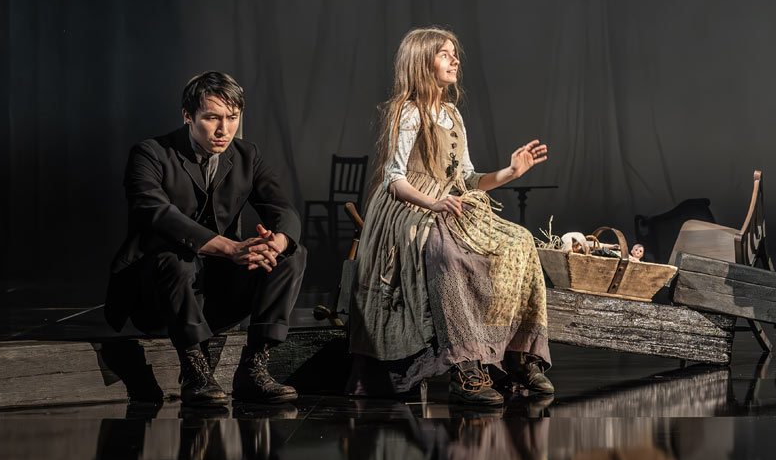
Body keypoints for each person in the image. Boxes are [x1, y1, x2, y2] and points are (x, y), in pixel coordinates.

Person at [346, 27, 553, 406]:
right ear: (422, 62)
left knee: (519, 241)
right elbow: (394, 180)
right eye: (444, 54)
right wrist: (433, 203)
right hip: (408, 207)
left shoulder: (452, 113)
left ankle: (515, 354)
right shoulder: (408, 111)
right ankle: (465, 365)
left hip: (450, 202)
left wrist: (510, 173)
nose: (455, 60)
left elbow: (468, 177)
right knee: (447, 250)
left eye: (454, 53)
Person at [104, 71, 306, 406]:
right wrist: (231, 248)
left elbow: (282, 208)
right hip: (157, 297)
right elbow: (156, 213)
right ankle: (194, 369)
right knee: (176, 258)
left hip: (215, 296)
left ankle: (255, 366)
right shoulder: (151, 153)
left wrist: (277, 242)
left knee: (292, 254)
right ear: (187, 116)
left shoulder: (247, 155)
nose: (224, 129)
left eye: (232, 118)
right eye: (212, 117)